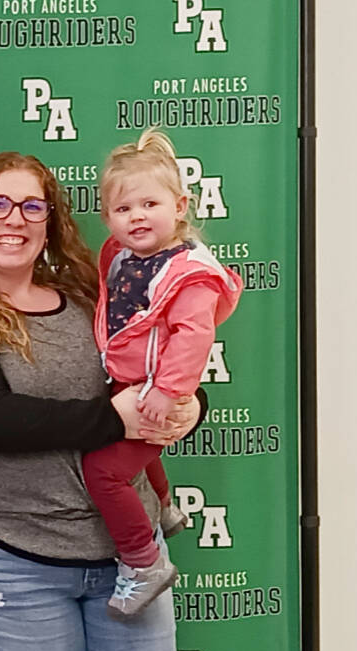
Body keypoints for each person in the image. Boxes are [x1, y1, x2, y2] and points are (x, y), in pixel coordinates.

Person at [0, 152, 202, 651]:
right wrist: (117, 420)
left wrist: (189, 406)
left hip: (129, 563)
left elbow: (157, 367)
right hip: (14, 562)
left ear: (51, 222)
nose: (13, 219)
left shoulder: (94, 301)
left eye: (31, 206)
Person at [85, 129, 242, 618]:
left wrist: (170, 390)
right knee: (130, 445)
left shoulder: (190, 273)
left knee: (103, 471)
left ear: (180, 206)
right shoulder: (121, 257)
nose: (137, 217)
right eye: (123, 209)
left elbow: (194, 336)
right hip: (130, 379)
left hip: (158, 386)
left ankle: (143, 561)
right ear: (108, 217)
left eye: (149, 204)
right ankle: (165, 506)